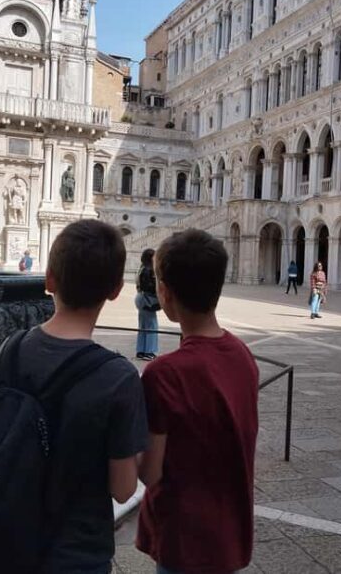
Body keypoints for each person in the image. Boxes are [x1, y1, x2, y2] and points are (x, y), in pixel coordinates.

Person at [0, 220, 148, 571]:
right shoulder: (118, 378)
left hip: (7, 541)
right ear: (116, 290)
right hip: (77, 552)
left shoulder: (8, 351)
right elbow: (122, 488)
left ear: (49, 279)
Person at [136, 229, 259, 574]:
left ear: (165, 293)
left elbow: (150, 471)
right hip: (229, 530)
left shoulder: (164, 373)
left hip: (184, 536)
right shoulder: (242, 355)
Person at [135, 248, 159, 361]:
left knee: (143, 326)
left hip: (141, 297)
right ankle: (149, 352)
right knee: (152, 326)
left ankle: (141, 350)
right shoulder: (149, 270)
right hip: (147, 299)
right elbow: (150, 287)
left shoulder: (142, 268)